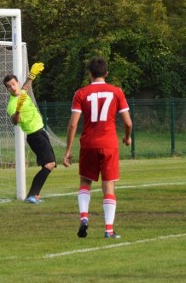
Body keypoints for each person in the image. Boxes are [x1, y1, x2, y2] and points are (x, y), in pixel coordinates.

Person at [63, 57, 132, 239]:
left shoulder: (81, 93)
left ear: (89, 74)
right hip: (109, 144)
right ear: (106, 74)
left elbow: (72, 125)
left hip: (88, 143)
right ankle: (108, 230)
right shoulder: (116, 92)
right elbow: (128, 123)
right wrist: (127, 136)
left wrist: (68, 150)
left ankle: (84, 218)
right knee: (108, 186)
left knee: (85, 182)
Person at [3, 62, 56, 204]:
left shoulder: (23, 91)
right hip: (34, 135)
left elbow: (25, 87)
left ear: (17, 83)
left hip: (41, 132)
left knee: (50, 164)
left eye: (14, 84)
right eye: (9, 86)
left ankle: (34, 195)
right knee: (49, 164)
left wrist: (32, 75)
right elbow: (14, 122)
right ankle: (32, 195)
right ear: (7, 89)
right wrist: (18, 110)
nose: (13, 88)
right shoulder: (12, 104)